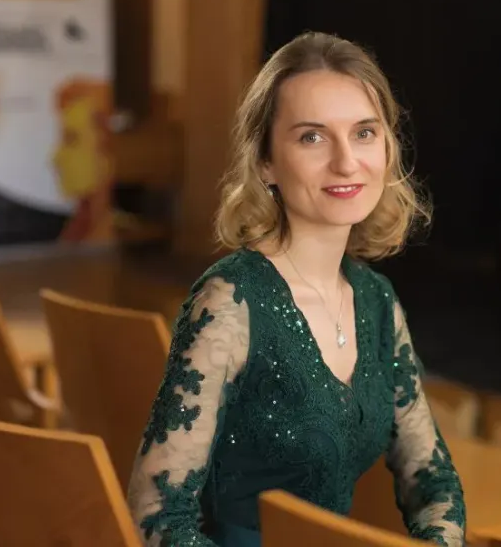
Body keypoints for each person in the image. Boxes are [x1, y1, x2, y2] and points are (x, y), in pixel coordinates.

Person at [126, 32, 466, 546]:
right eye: (312, 137)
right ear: (265, 163)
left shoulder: (376, 301)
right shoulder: (230, 301)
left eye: (365, 133)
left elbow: (433, 481)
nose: (347, 162)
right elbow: (154, 515)